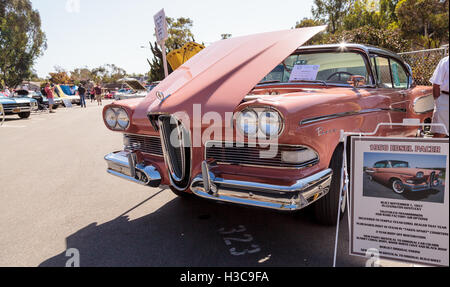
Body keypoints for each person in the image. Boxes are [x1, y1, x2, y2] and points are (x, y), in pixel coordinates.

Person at [429, 55, 449, 138]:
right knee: (440, 132)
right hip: (445, 100)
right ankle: (434, 151)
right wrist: (438, 101)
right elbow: (436, 83)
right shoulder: (445, 62)